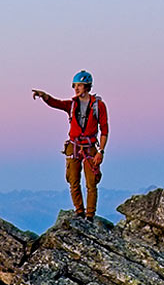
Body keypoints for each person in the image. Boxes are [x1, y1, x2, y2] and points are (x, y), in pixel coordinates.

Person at [32, 71, 109, 219]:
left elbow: (104, 130)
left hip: (90, 147)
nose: (76, 88)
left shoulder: (98, 106)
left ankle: (90, 215)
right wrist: (44, 96)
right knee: (73, 181)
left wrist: (101, 151)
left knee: (91, 183)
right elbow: (56, 103)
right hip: (73, 146)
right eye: (75, 85)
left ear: (87, 86)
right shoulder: (72, 104)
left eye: (80, 85)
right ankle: (79, 211)